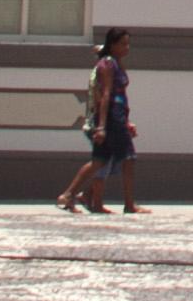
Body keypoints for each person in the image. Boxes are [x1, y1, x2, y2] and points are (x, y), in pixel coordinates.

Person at [58, 29, 143, 215]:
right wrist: (102, 126)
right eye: (122, 44)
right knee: (128, 158)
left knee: (101, 161)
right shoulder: (107, 66)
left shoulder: (116, 64)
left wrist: (127, 120)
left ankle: (70, 195)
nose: (126, 48)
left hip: (118, 117)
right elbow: (105, 96)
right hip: (110, 119)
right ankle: (129, 205)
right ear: (112, 45)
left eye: (128, 44)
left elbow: (121, 96)